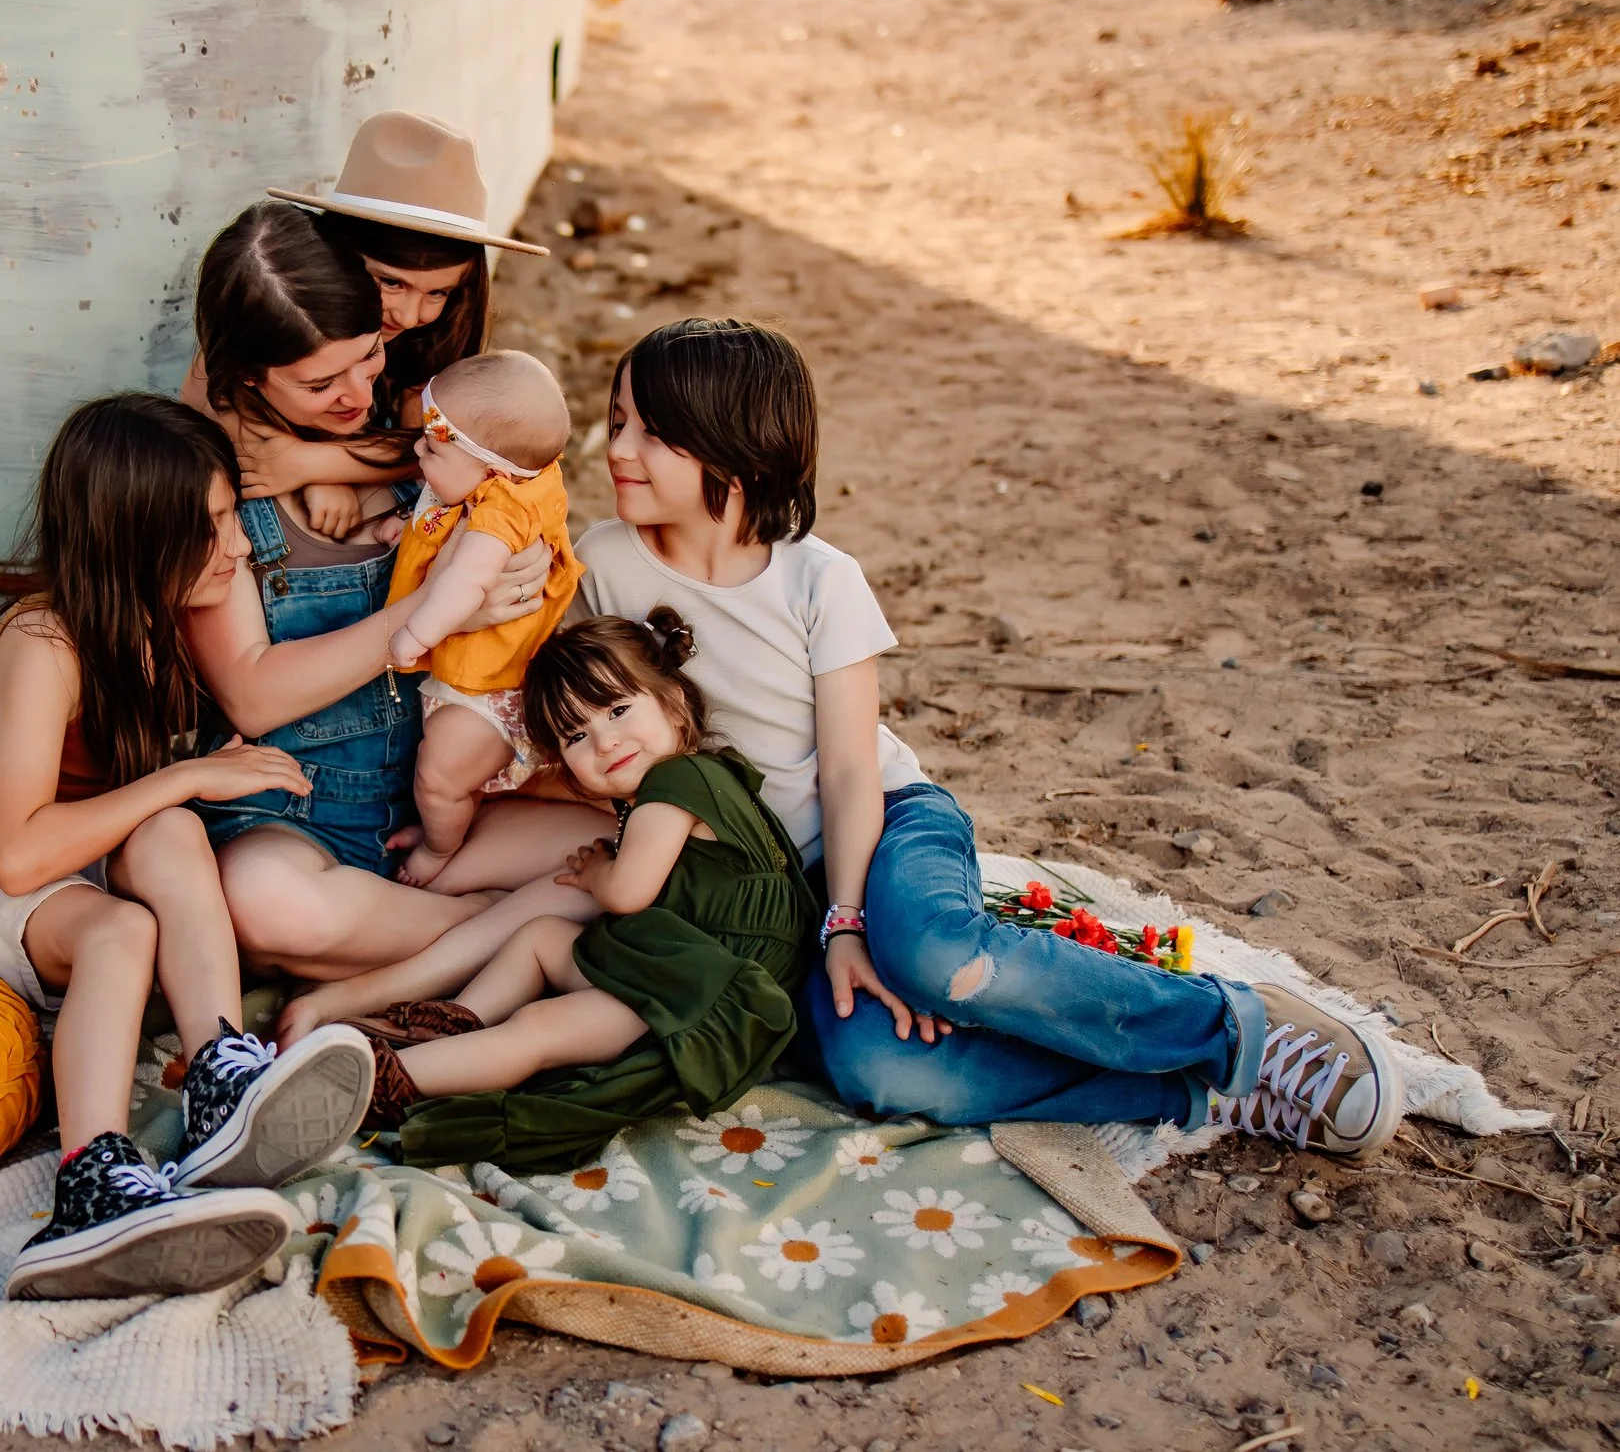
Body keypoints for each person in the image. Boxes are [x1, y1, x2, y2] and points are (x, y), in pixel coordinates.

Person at [571, 317, 1405, 1157]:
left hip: (890, 822)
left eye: (654, 431)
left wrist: (851, 925)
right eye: (616, 421)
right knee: (876, 1072)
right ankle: (1199, 1090)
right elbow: (567, 701)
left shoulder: (819, 579)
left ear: (739, 451)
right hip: (774, 887)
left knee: (932, 952)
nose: (618, 448)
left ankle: (1238, 1023)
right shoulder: (605, 563)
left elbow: (853, 771)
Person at [0, 394, 376, 1301]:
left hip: (77, 849)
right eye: (212, 526)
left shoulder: (164, 620)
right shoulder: (45, 642)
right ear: (136, 536)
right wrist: (182, 778)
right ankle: (89, 1180)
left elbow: (129, 806)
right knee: (124, 929)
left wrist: (192, 780)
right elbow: (16, 858)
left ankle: (222, 1075)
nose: (239, 546)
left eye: (232, 512)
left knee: (171, 829)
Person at [179, 201, 599, 981]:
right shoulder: (216, 484)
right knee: (262, 900)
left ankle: (422, 937)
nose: (352, 391)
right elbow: (252, 696)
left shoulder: (437, 433)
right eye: (318, 381)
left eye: (367, 355)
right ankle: (498, 930)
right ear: (247, 377)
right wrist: (432, 606)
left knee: (644, 847)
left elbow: (525, 517)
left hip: (446, 797)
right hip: (297, 813)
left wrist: (516, 570)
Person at [350, 612, 821, 1176]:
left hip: (708, 991)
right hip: (692, 973)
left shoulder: (678, 781)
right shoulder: (697, 775)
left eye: (619, 709)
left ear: (673, 700)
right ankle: (456, 1021)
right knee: (543, 937)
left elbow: (627, 894)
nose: (606, 740)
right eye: (577, 735)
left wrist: (601, 872)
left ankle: (380, 1082)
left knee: (538, 1032)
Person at [194, 109, 547, 540]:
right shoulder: (278, 308)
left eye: (438, 292)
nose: (410, 316)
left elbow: (440, 442)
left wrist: (315, 465)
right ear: (334, 255)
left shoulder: (433, 339)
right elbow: (215, 401)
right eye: (391, 282)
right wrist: (320, 476)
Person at [381, 351, 583, 886]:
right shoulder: (513, 478)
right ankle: (451, 829)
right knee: (450, 780)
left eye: (432, 446)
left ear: (491, 469)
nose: (418, 448)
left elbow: (468, 583)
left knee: (439, 778)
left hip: (485, 691)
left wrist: (414, 633)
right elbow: (442, 511)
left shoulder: (501, 519)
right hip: (496, 673)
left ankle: (439, 852)